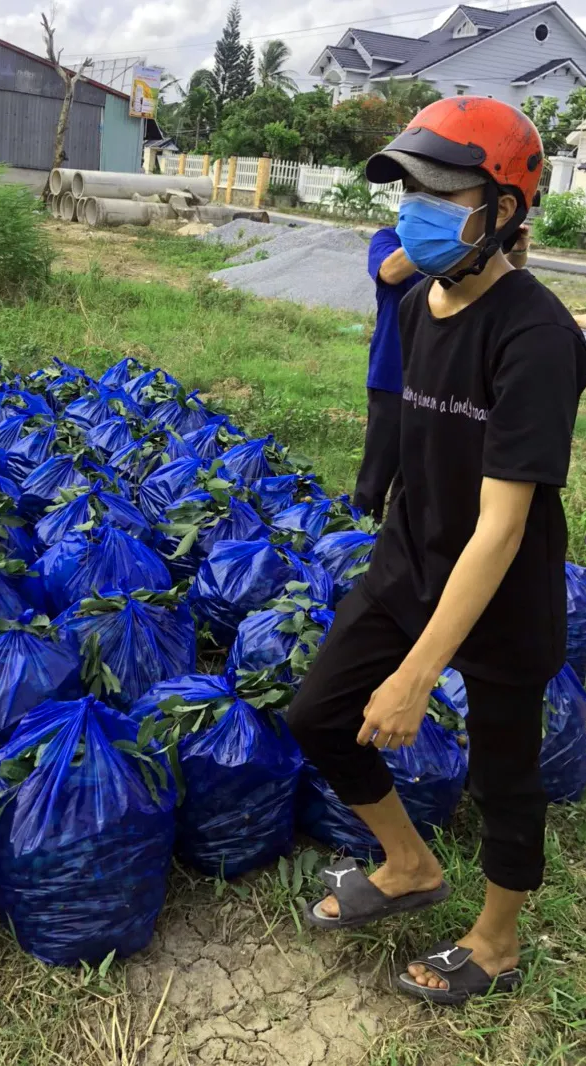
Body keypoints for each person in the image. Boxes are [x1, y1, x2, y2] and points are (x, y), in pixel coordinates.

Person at [288, 96, 586, 1004]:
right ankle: (409, 865)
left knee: (504, 774)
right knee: (316, 715)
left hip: (499, 590)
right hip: (409, 562)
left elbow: (500, 526)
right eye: (406, 187)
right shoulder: (421, 302)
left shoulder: (536, 339)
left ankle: (495, 942)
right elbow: (418, 443)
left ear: (502, 211)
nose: (414, 206)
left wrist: (419, 674)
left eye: (439, 190)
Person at [354, 226, 531, 523]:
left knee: (416, 480)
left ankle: (396, 546)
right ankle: (354, 543)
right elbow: (389, 272)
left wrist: (516, 246)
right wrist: (444, 233)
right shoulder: (388, 239)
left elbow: (502, 277)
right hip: (391, 379)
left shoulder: (461, 254)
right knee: (375, 475)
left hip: (439, 384)